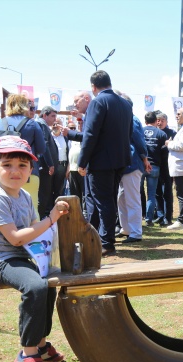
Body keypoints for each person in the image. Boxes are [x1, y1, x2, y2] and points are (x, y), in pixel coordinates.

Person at [0, 136, 68, 362]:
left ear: (30, 171)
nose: (15, 171)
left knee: (49, 280)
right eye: (7, 165)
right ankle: (27, 354)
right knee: (35, 287)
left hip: (20, 256)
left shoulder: (25, 196)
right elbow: (16, 238)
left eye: (22, 165)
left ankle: (40, 342)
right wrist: (51, 218)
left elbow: (32, 231)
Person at [77, 71, 133, 257]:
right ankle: (106, 238)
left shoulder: (98, 102)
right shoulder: (125, 103)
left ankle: (106, 242)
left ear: (93, 87)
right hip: (120, 160)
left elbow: (91, 134)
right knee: (109, 200)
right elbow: (129, 132)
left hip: (101, 161)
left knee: (103, 201)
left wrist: (82, 161)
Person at [0, 94, 49, 217]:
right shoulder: (32, 124)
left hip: (4, 173)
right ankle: (33, 235)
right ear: (24, 105)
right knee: (32, 208)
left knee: (5, 209)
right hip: (27, 172)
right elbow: (41, 149)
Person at [116, 92, 150, 243]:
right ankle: (127, 229)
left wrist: (144, 157)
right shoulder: (125, 119)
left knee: (132, 199)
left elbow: (139, 142)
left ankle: (136, 233)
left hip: (133, 163)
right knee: (121, 199)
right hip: (125, 165)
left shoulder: (132, 119)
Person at [64, 92, 91, 216]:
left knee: (87, 195)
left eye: (81, 124)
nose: (78, 126)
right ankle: (77, 213)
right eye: (77, 124)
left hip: (84, 169)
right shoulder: (72, 139)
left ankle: (85, 214)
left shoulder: (82, 136)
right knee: (75, 194)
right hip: (74, 169)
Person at [142, 112, 168, 226]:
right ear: (155, 121)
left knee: (137, 193)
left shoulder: (140, 131)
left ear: (145, 121)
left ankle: (138, 217)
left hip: (141, 165)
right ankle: (149, 219)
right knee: (151, 194)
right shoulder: (161, 134)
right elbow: (164, 151)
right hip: (155, 166)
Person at [154, 112, 177, 227]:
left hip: (168, 166)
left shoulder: (172, 133)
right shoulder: (154, 132)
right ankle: (160, 215)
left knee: (167, 192)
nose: (160, 122)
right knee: (157, 192)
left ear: (166, 122)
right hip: (156, 165)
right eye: (158, 120)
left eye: (162, 120)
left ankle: (168, 217)